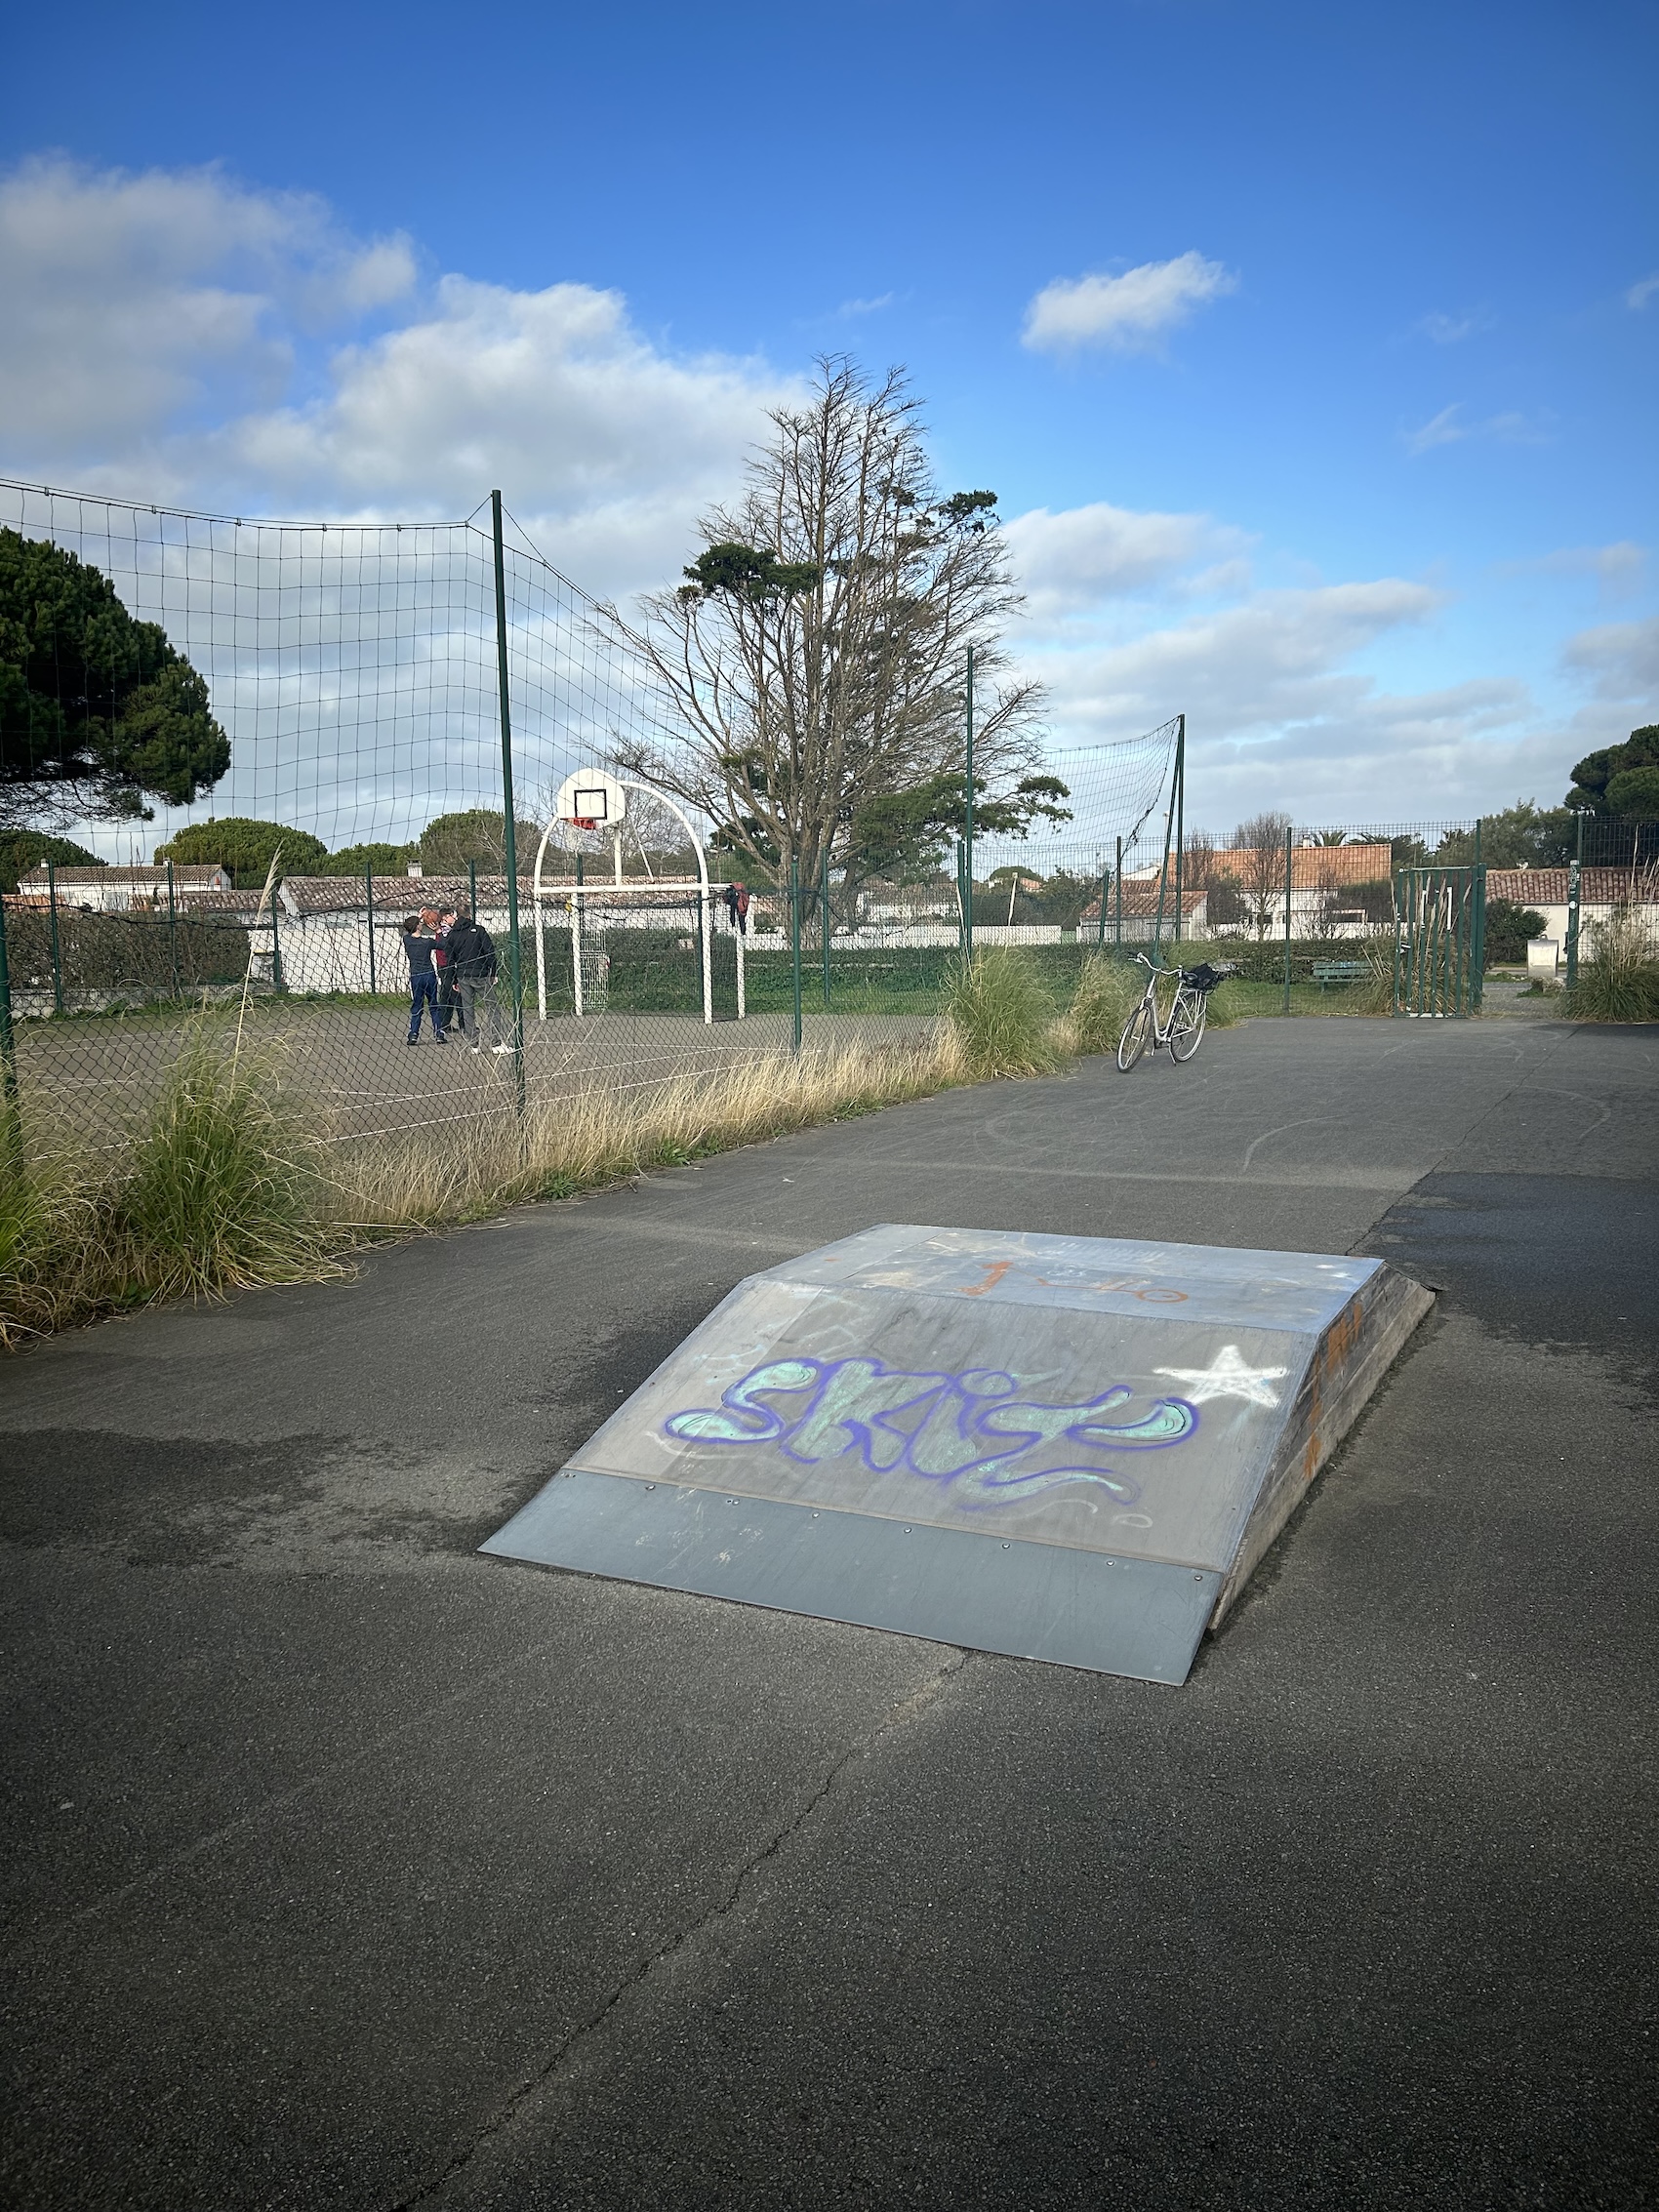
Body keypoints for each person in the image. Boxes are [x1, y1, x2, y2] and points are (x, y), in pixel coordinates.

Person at [444, 906, 513, 1053]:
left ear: (455, 915)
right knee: (492, 1008)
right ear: (469, 914)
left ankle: (474, 1044)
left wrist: (453, 980)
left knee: (468, 1010)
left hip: (463, 976)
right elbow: (489, 952)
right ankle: (496, 1043)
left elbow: (450, 960)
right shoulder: (479, 930)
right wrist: (492, 972)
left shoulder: (451, 935)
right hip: (481, 974)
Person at [401, 912, 445, 1044]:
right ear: (418, 926)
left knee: (417, 1005)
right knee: (434, 1005)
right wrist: (438, 931)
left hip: (416, 976)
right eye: (420, 923)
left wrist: (419, 917)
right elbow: (443, 945)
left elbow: (410, 931)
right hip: (429, 975)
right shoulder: (427, 942)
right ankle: (438, 1033)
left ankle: (414, 1033)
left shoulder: (407, 940)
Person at [433, 905, 460, 1035]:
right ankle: (463, 1023)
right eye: (451, 915)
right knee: (455, 994)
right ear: (444, 918)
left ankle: (444, 1023)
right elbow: (446, 945)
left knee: (447, 995)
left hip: (446, 965)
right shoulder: (444, 931)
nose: (454, 918)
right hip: (446, 966)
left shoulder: (447, 929)